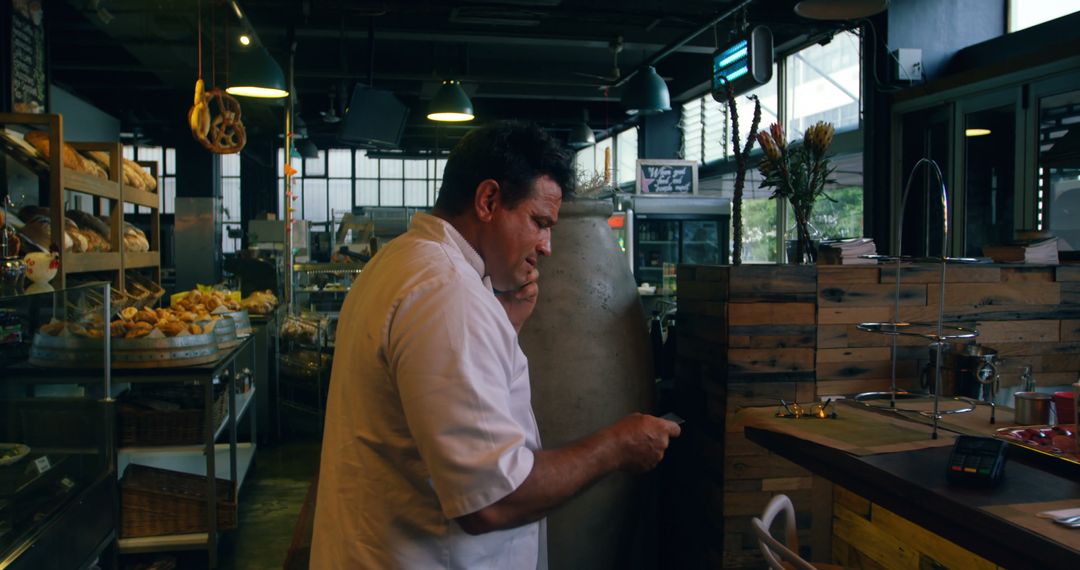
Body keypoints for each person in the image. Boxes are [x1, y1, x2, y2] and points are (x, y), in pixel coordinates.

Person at [310, 121, 681, 569]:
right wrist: (616, 446)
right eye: (539, 223)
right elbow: (491, 499)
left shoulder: (402, 261)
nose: (546, 246)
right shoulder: (449, 293)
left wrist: (503, 328)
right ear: (488, 201)